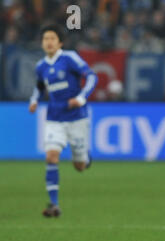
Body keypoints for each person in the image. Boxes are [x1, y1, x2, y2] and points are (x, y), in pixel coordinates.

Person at [28, 24, 98, 217]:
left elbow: (91, 77)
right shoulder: (40, 66)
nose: (48, 42)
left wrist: (82, 98)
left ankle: (85, 157)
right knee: (51, 156)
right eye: (45, 39)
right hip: (54, 118)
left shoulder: (69, 58)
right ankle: (53, 204)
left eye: (52, 38)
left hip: (77, 118)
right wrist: (34, 100)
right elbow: (40, 87)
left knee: (80, 166)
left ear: (59, 42)